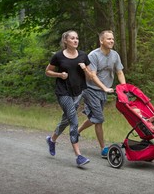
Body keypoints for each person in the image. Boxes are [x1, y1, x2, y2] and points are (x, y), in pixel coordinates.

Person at [45, 30, 91, 167]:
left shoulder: (83, 55)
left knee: (66, 120)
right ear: (66, 41)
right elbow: (47, 71)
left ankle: (52, 140)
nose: (76, 40)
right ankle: (79, 156)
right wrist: (59, 75)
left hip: (78, 93)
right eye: (72, 38)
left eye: (77, 38)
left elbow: (90, 76)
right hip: (63, 92)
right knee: (74, 120)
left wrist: (85, 69)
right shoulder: (58, 56)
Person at [78, 30, 126, 158]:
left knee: (94, 117)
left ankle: (76, 132)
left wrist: (124, 88)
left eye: (113, 39)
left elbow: (119, 72)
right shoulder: (93, 55)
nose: (111, 41)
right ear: (101, 41)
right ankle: (103, 149)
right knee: (99, 118)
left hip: (103, 91)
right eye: (109, 39)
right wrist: (105, 87)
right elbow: (92, 75)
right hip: (90, 90)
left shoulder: (115, 55)